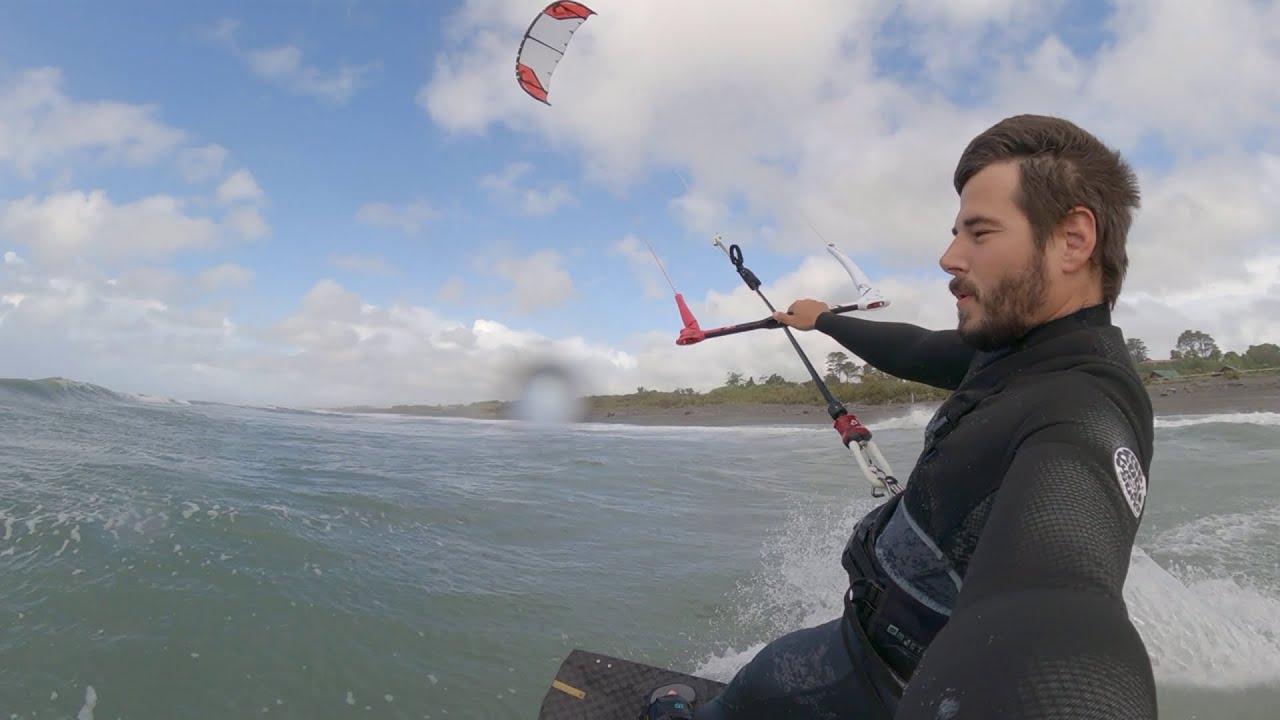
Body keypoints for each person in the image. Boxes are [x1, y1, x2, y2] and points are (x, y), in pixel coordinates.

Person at [646, 114, 1158, 720]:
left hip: (886, 681)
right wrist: (823, 320)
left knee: (754, 690)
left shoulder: (1083, 409)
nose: (948, 257)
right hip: (896, 660)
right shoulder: (1020, 354)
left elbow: (1061, 605)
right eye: (955, 233)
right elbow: (915, 347)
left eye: (979, 232)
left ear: (1073, 239)